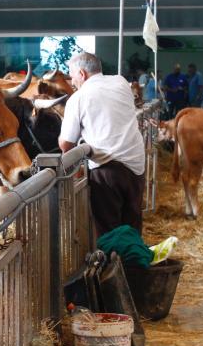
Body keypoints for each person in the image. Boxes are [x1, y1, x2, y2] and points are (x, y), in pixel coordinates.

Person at [58, 51, 146, 238]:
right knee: (132, 224)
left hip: (107, 170)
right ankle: (134, 264)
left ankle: (115, 265)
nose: (71, 82)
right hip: (136, 165)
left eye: (72, 76)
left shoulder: (78, 98)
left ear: (82, 74)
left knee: (109, 230)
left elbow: (66, 144)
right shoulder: (121, 82)